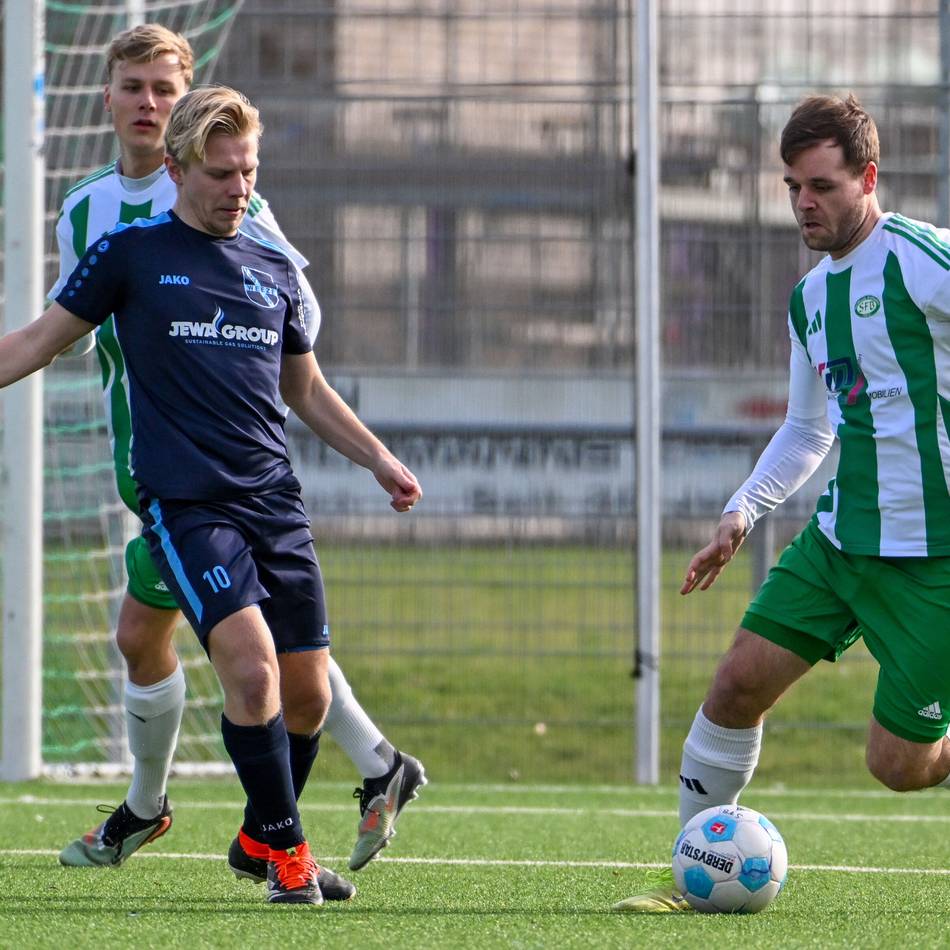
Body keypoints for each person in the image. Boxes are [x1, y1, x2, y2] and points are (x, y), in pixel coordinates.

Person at [16, 83, 426, 904]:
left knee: (307, 696)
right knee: (252, 672)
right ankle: (290, 860)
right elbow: (37, 339)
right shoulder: (129, 255)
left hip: (275, 502)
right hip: (185, 503)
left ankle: (257, 835)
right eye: (221, 173)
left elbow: (305, 391)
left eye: (248, 171)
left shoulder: (271, 267)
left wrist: (378, 458)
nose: (240, 188)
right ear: (175, 170)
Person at [613, 93, 950, 913]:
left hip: (934, 559)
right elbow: (808, 428)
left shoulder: (920, 259)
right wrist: (742, 512)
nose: (806, 202)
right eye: (793, 186)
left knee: (898, 767)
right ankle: (693, 880)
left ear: (868, 178)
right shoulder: (808, 300)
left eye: (824, 186)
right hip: (838, 547)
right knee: (734, 686)